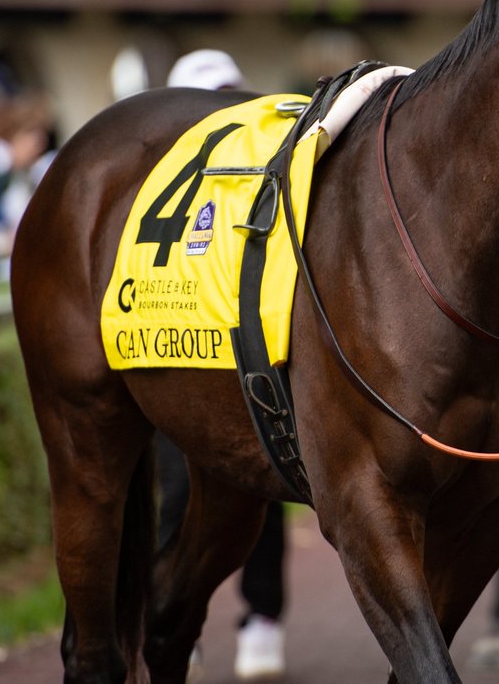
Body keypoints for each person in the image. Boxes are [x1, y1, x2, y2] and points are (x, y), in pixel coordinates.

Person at [159, 50, 289, 681]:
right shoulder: (151, 189)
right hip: (170, 366)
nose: (226, 111)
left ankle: (263, 616)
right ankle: (175, 620)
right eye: (210, 98)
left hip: (247, 368)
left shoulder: (265, 174)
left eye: (232, 95)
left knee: (261, 495)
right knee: (173, 499)